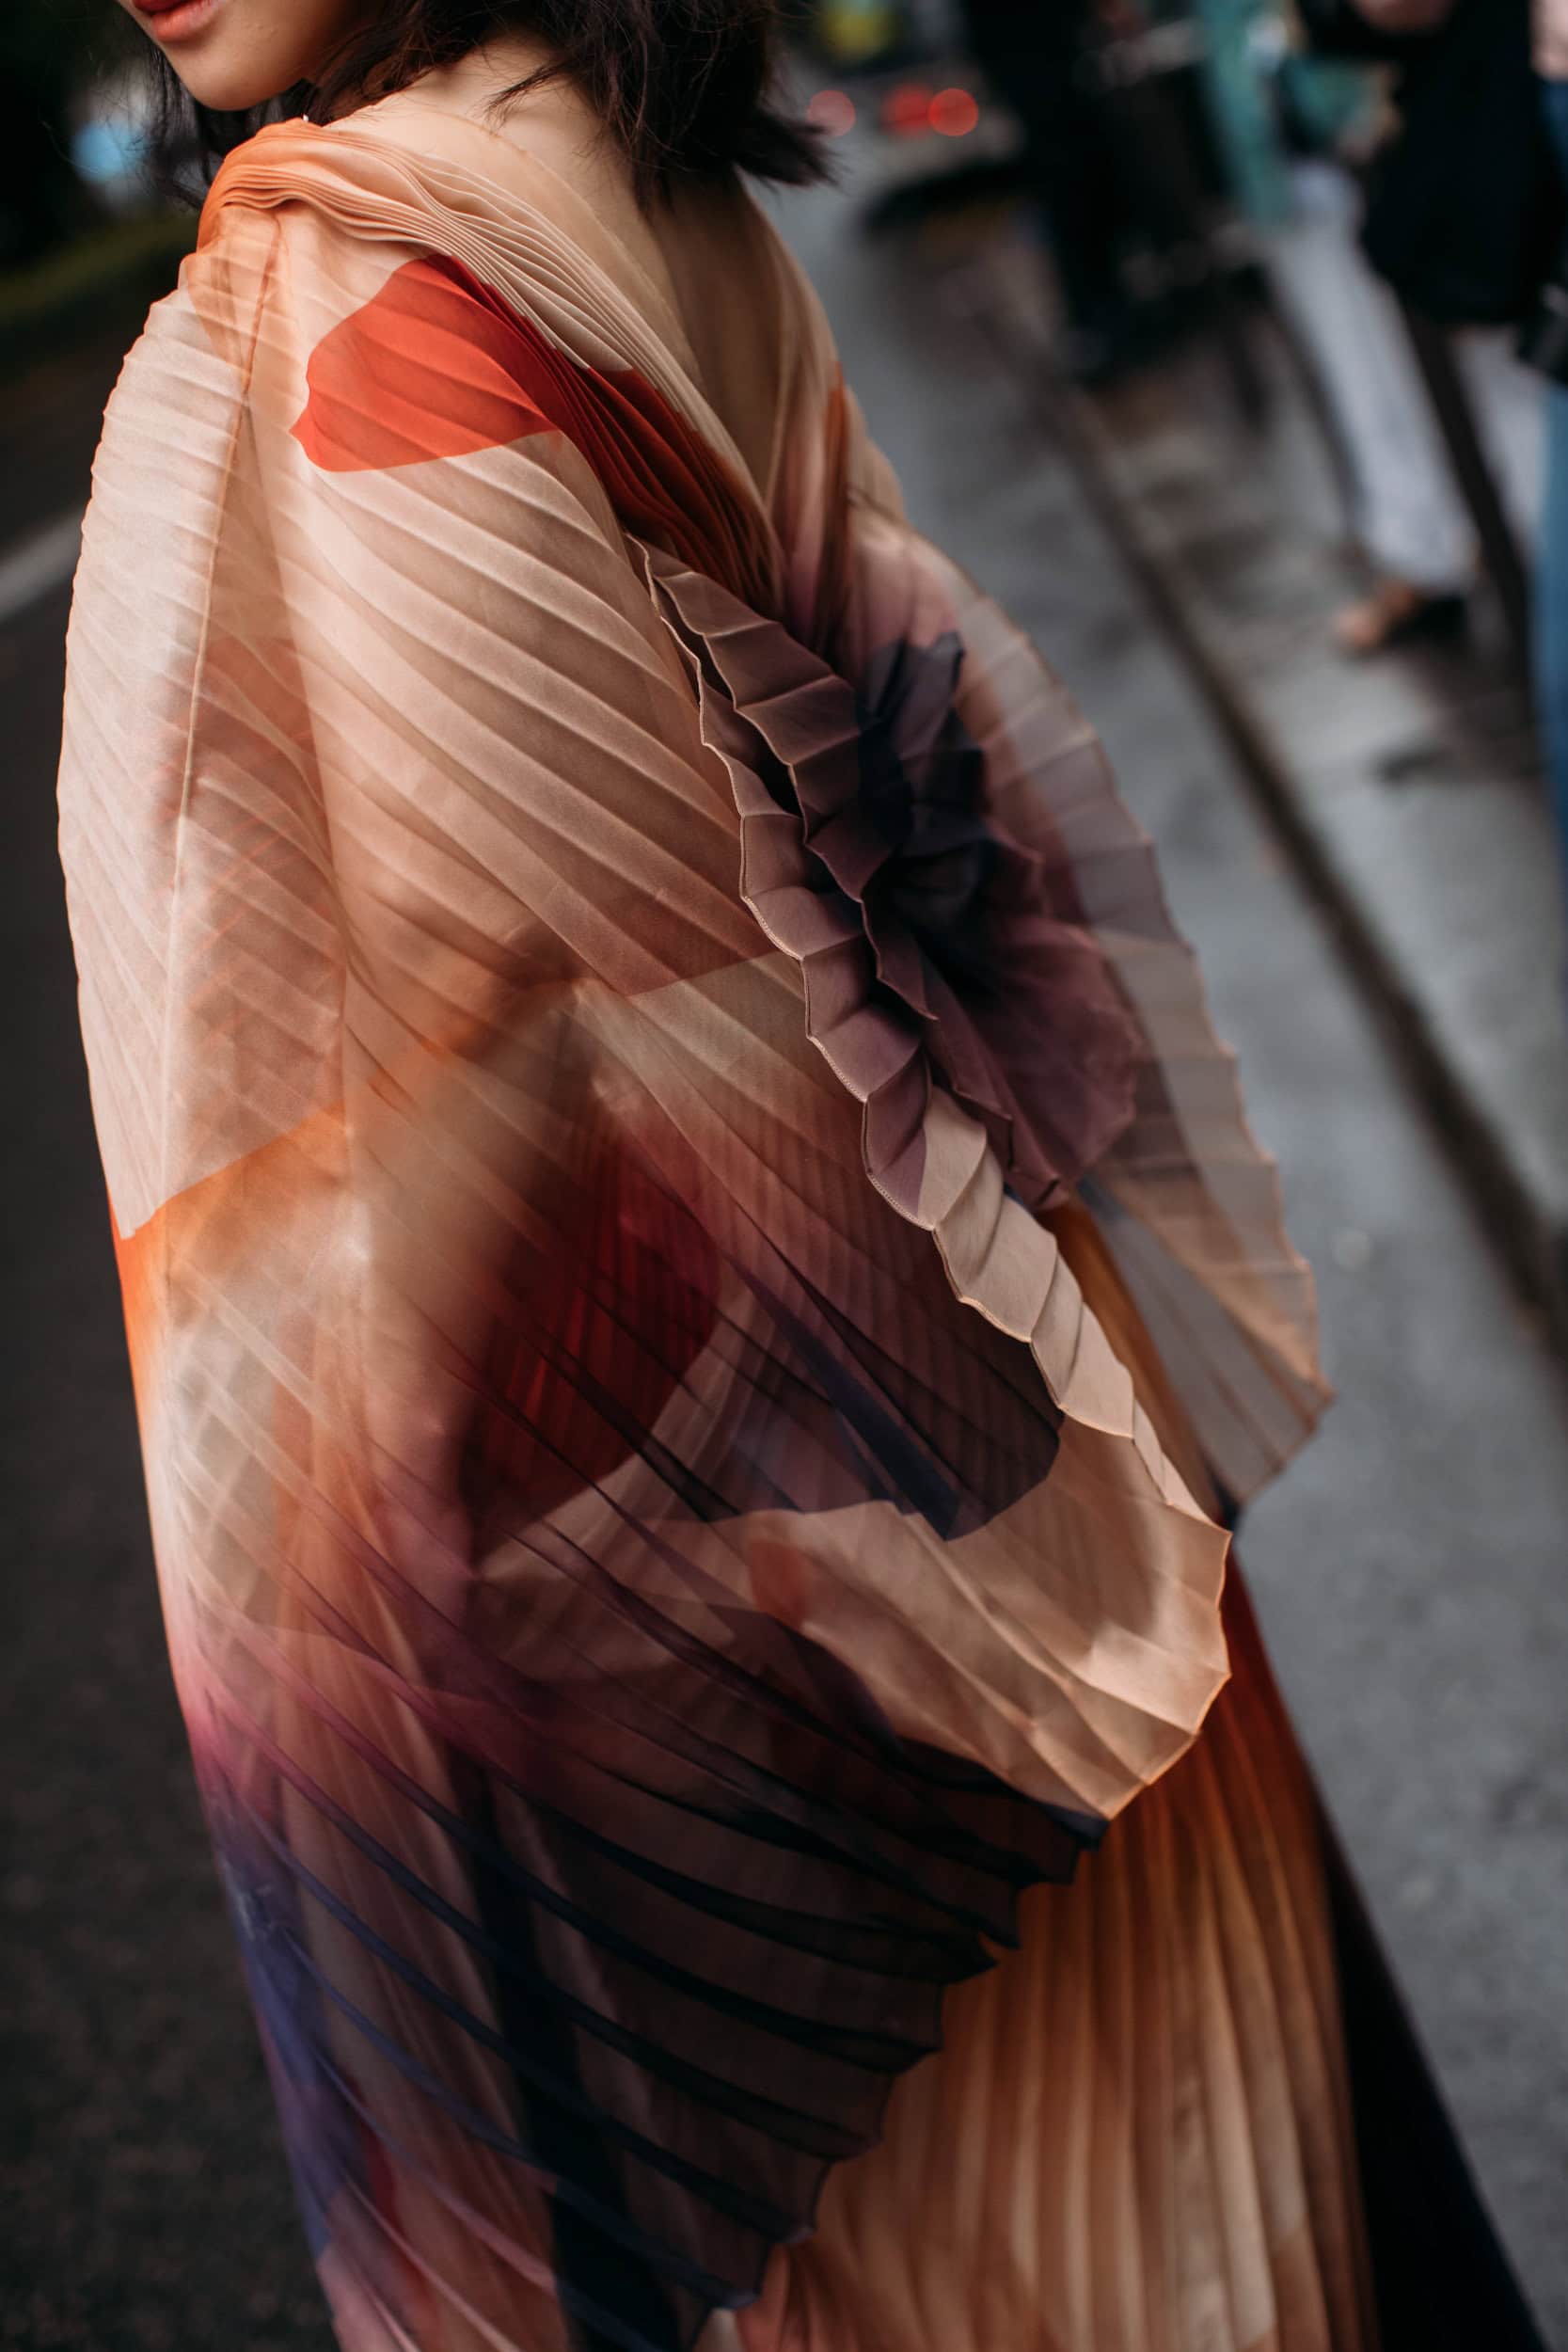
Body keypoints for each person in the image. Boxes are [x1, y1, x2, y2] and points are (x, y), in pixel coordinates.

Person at [57, 4, 1547, 2349]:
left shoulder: (352, 285)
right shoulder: (649, 164)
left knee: (986, 2239)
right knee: (1245, 2173)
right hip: (1008, 1381)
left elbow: (463, 1089)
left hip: (771, 1579)